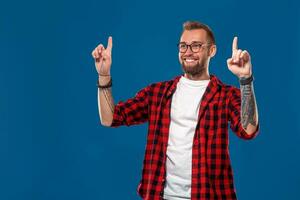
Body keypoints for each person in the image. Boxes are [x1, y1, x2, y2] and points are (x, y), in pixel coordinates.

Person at [91, 21, 259, 200]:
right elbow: (110, 118)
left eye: (196, 46)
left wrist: (245, 79)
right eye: (183, 46)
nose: (188, 52)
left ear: (212, 51)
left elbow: (248, 130)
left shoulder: (225, 95)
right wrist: (103, 75)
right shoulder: (158, 94)